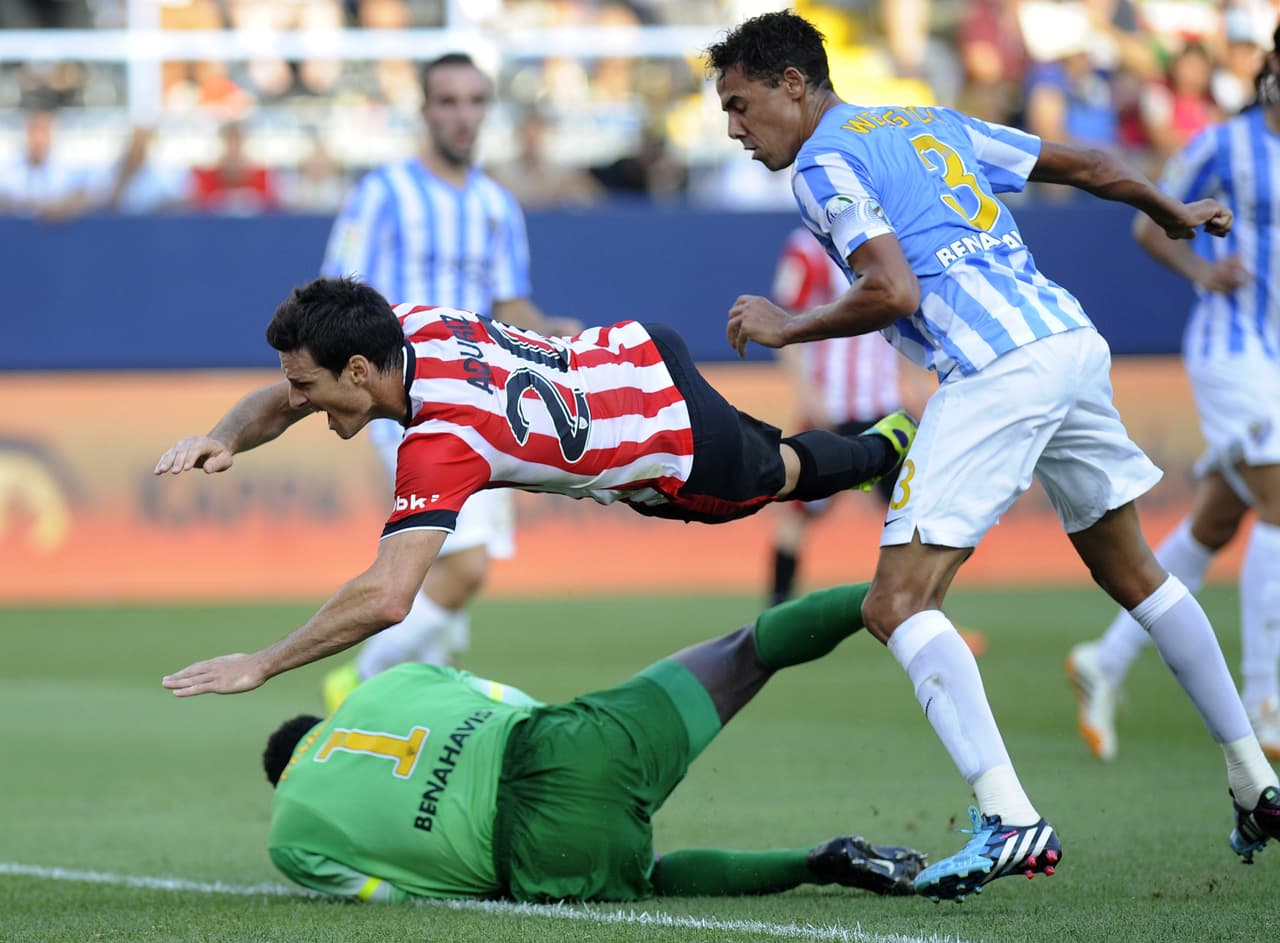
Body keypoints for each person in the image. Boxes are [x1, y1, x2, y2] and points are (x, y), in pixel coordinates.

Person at [705, 9, 1280, 902]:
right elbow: (1084, 165)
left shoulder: (822, 164)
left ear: (791, 83)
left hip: (995, 363)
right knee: (1135, 571)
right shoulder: (927, 121)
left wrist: (791, 325)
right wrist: (1168, 209)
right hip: (1067, 340)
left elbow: (893, 289)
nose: (733, 130)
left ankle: (1009, 816)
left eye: (740, 105)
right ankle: (1254, 776)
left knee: (896, 603)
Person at [157, 276, 917, 699]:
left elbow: (387, 596)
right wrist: (225, 437)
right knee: (774, 452)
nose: (297, 401)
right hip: (638, 351)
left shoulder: (442, 442)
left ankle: (888, 447)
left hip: (671, 444)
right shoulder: (405, 322)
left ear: (358, 370)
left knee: (781, 474)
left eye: (307, 387)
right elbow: (285, 395)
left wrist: (264, 661)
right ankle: (879, 446)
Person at [261, 582, 926, 902]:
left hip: (531, 848)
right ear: (323, 724)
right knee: (747, 650)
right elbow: (506, 698)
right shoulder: (383, 684)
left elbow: (395, 895)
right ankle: (888, 593)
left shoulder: (291, 837)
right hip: (563, 742)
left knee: (653, 877)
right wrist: (579, 744)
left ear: (288, 773)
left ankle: (816, 862)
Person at [318, 52, 572, 710]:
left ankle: (407, 722)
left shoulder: (496, 205)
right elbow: (336, 288)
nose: (464, 115)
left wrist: (552, 334)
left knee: (447, 583)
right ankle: (357, 683)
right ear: (425, 110)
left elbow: (508, 302)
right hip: (405, 398)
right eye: (449, 101)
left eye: (475, 101)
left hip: (481, 398)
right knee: (464, 566)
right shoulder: (383, 194)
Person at [1068, 24, 1280, 764]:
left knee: (1216, 523)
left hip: (1277, 355)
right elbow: (1147, 225)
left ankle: (1104, 659)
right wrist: (1202, 272)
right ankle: (1266, 701)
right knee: (1279, 500)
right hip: (1233, 349)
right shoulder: (1225, 144)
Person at [767, 226, 908, 606]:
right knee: (797, 512)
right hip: (830, 407)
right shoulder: (807, 248)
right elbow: (784, 322)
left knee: (910, 513)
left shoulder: (888, 237)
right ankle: (776, 612)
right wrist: (808, 394)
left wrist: (912, 385)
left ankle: (916, 610)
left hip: (884, 404)